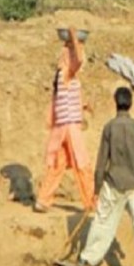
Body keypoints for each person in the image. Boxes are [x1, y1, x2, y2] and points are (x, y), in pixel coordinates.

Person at [78, 88, 134, 266]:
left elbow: (102, 161)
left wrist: (96, 188)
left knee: (101, 220)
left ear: (115, 102)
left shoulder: (109, 127)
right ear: (131, 103)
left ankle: (88, 259)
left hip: (113, 182)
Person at [34, 28, 94, 214]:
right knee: (82, 163)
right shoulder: (68, 72)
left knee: (58, 163)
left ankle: (43, 199)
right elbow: (80, 59)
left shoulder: (63, 77)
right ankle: (91, 201)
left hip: (62, 127)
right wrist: (74, 37)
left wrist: (83, 106)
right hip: (70, 128)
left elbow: (65, 100)